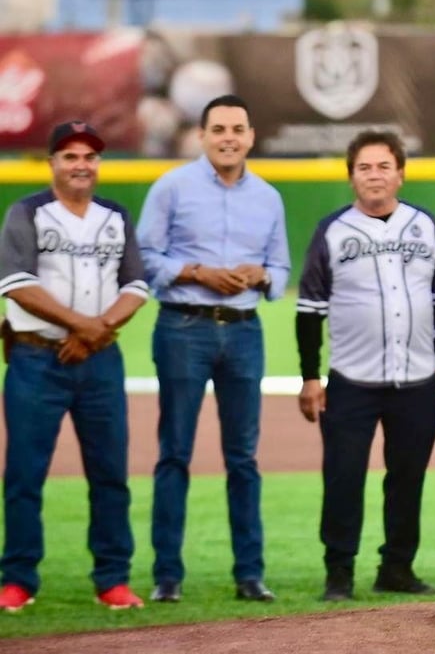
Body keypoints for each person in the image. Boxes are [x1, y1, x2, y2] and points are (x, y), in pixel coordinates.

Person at [137, 94, 290, 603]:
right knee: (175, 452)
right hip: (184, 326)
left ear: (251, 137)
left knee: (243, 458)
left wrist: (261, 274)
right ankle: (167, 576)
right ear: (201, 136)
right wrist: (196, 271)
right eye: (219, 129)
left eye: (237, 129)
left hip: (244, 331)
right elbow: (144, 257)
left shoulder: (267, 197)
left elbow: (281, 269)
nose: (229, 138)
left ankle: (250, 574)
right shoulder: (172, 187)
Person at [295, 131, 435, 601]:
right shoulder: (332, 230)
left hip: (416, 377)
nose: (375, 175)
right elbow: (309, 310)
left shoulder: (423, 225)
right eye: (364, 167)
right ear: (351, 177)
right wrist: (310, 375)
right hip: (352, 380)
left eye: (384, 166)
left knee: (408, 477)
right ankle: (338, 572)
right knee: (343, 477)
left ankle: (397, 568)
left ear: (400, 173)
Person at [0, 122, 149, 611]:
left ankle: (113, 578)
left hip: (99, 362)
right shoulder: (28, 212)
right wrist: (85, 326)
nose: (81, 164)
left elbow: (136, 286)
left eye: (89, 156)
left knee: (110, 474)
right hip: (36, 359)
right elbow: (16, 283)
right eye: (70, 156)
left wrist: (96, 331)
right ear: (52, 164)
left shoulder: (115, 216)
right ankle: (18, 578)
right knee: (24, 475)